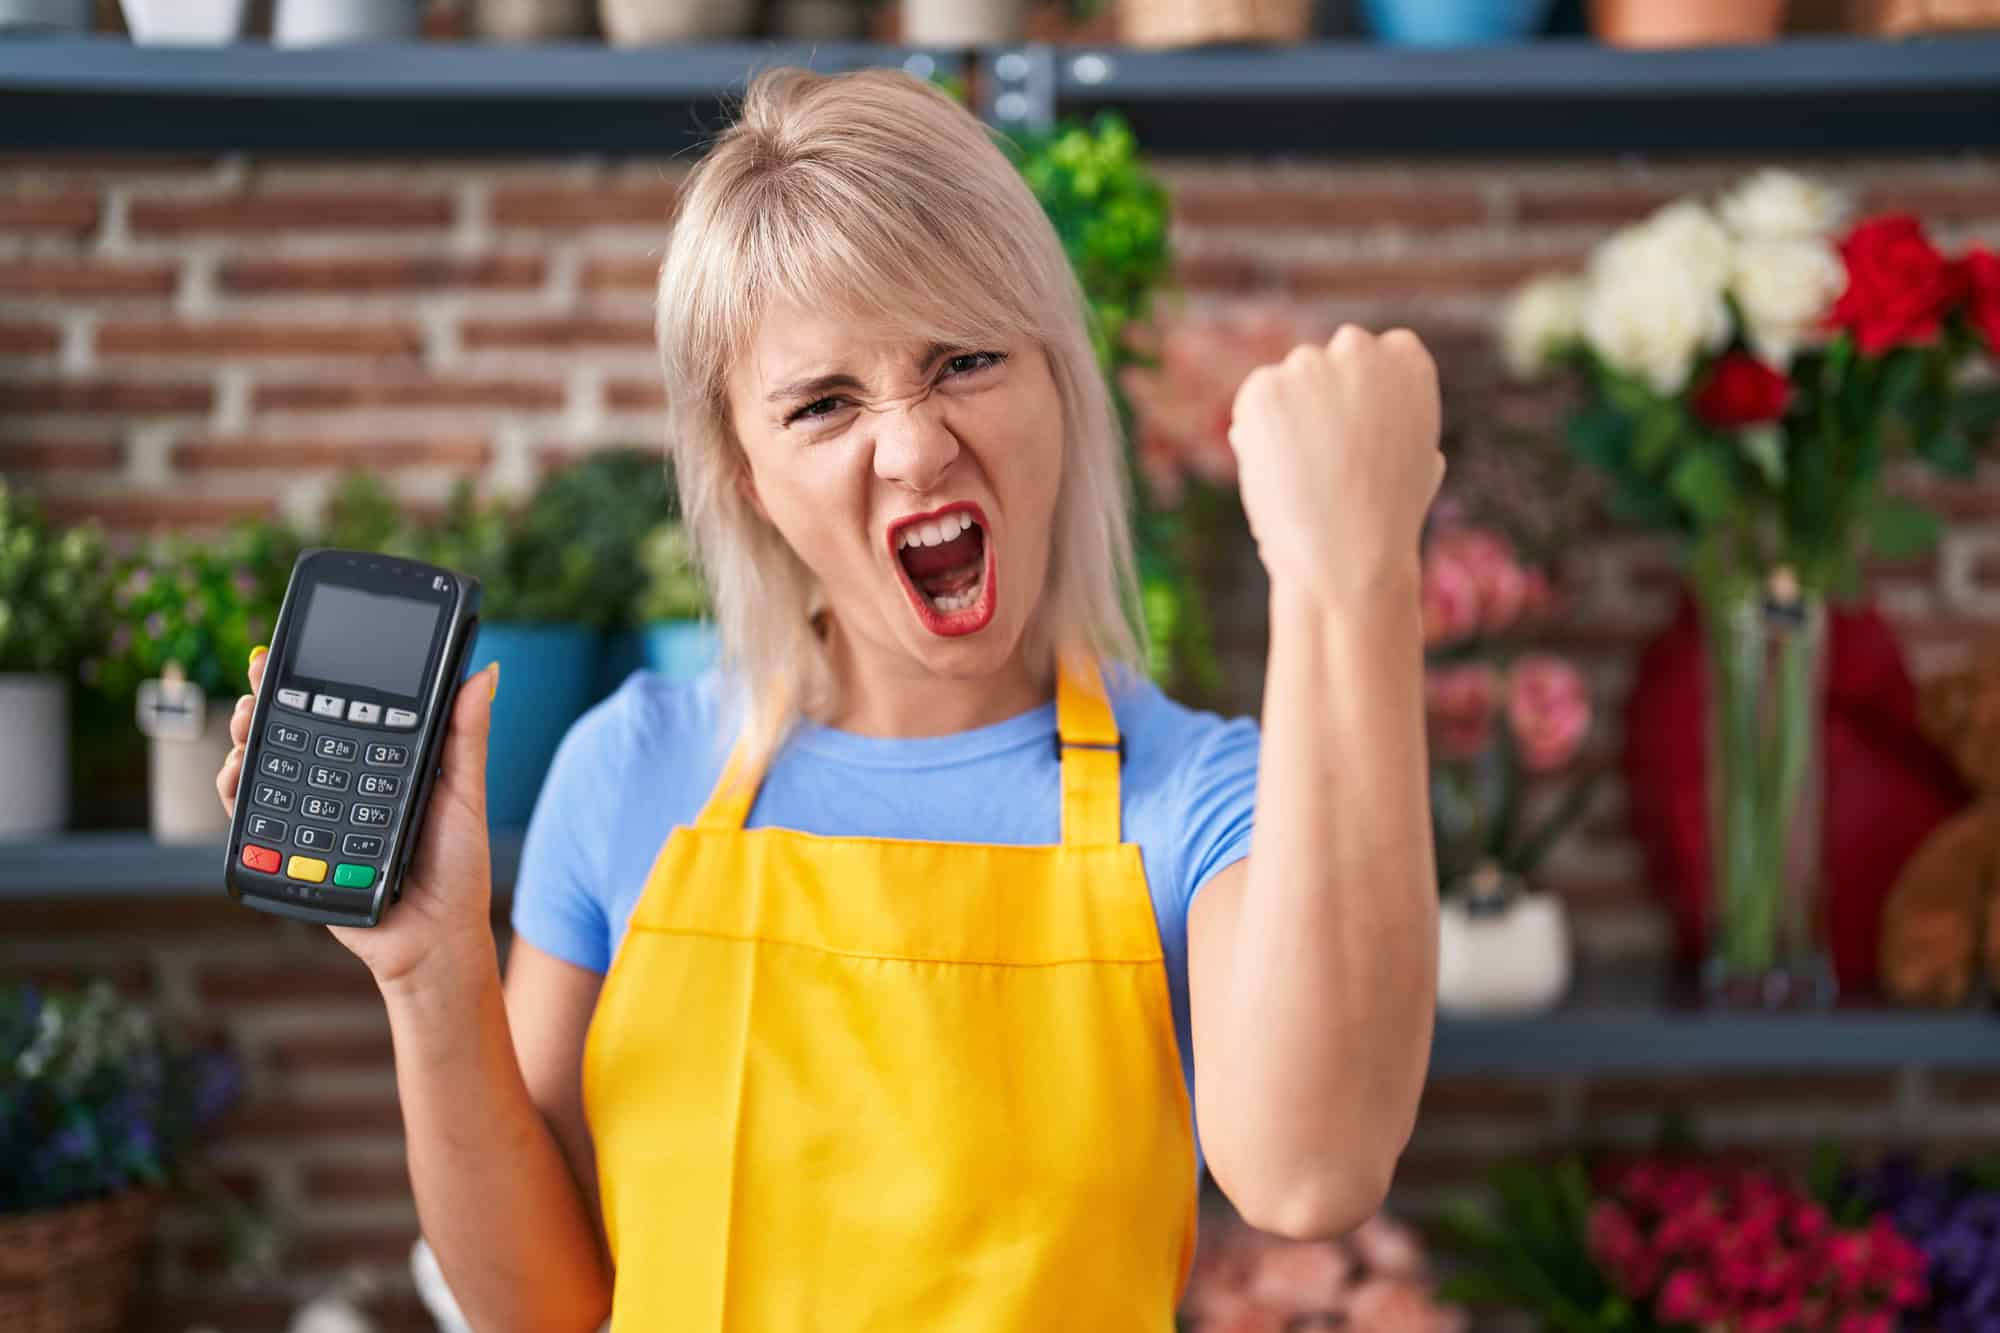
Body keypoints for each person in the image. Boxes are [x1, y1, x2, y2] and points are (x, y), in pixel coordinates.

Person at [216, 64, 1443, 1333]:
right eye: (822, 404)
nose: (913, 447)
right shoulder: (630, 767)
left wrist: (1346, 567)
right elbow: (540, 1309)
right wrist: (428, 973)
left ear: (1058, 384)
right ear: (746, 473)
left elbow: (1312, 1169)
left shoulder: (1197, 797)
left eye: (964, 358)